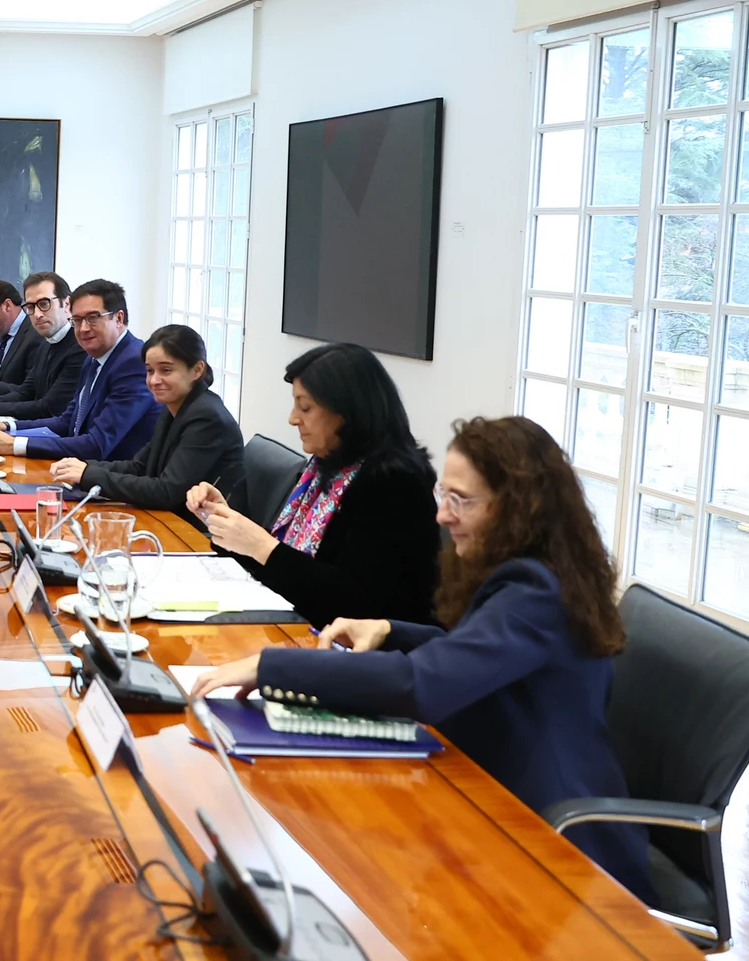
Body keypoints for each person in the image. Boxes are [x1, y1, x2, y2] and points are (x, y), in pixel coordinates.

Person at [190, 416, 654, 905]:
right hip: (490, 792)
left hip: (553, 838)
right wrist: (391, 630)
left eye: (462, 500)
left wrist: (272, 666)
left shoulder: (534, 592)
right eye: (443, 496)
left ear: (519, 509)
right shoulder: (532, 574)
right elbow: (472, 650)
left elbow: (421, 685)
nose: (442, 516)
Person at [185, 342, 439, 626]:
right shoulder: (326, 467)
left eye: (305, 407)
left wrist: (260, 545)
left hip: (364, 655)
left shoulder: (394, 484)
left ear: (347, 411)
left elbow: (356, 604)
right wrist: (226, 521)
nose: (293, 419)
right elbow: (283, 563)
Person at [51, 325, 244, 531]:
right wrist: (81, 467)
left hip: (202, 535)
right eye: (150, 370)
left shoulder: (207, 417)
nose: (154, 380)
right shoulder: (176, 406)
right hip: (172, 523)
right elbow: (140, 467)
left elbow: (166, 492)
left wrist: (89, 474)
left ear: (197, 370)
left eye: (166, 370)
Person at [0, 279, 157, 461]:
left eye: (93, 318)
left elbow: (97, 444)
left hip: (114, 479)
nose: (83, 328)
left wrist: (15, 445)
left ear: (118, 318)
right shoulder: (94, 358)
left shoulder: (134, 363)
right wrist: (8, 427)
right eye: (77, 320)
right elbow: (68, 421)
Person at [0, 271, 84, 420]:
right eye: (31, 307)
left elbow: (49, 408)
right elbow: (25, 392)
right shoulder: (46, 343)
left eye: (44, 304)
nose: (37, 314)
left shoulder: (79, 348)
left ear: (66, 304)